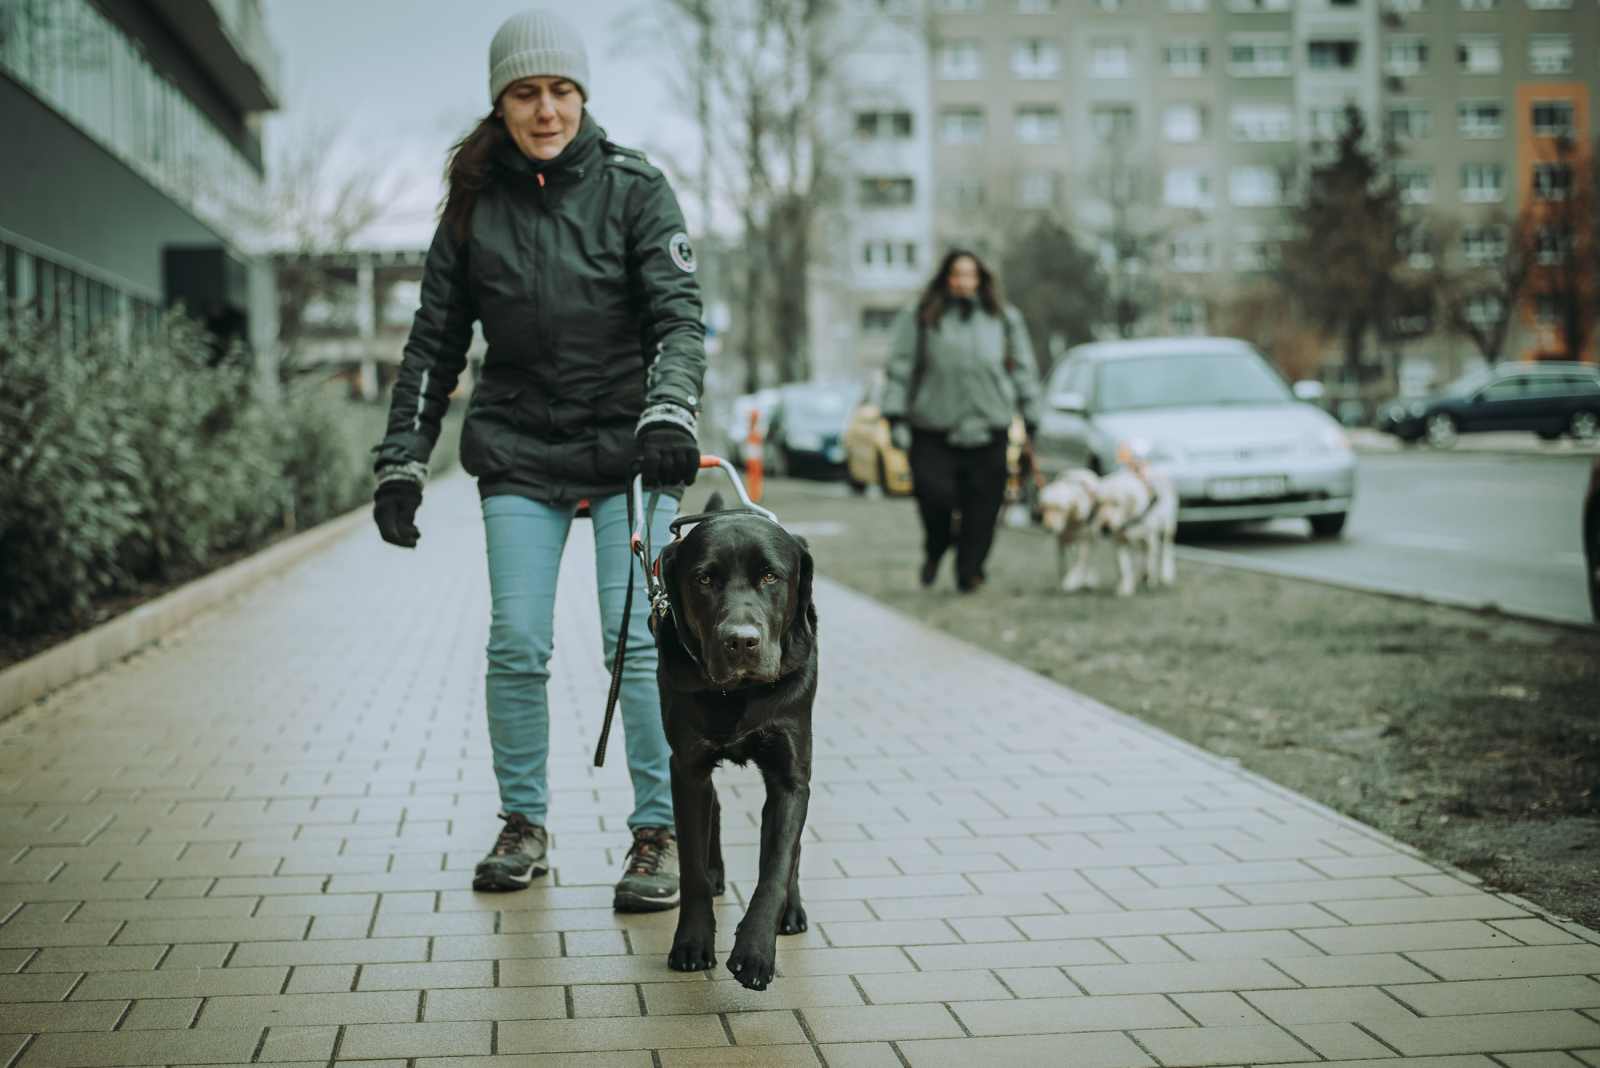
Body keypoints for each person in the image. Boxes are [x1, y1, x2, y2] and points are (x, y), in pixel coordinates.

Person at [369, 9, 705, 912]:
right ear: (501, 104)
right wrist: (403, 460)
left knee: (634, 640)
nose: (545, 108)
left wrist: (669, 410)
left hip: (632, 450)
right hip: (520, 446)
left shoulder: (636, 188)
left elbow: (678, 315)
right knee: (517, 642)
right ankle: (524, 824)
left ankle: (659, 833)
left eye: (559, 90)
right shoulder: (475, 204)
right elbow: (433, 343)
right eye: (526, 93)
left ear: (582, 95)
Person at [880, 250, 1042, 593]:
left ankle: (971, 571)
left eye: (971, 275)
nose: (964, 282)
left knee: (983, 509)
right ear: (945, 278)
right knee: (934, 499)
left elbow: (1023, 368)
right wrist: (894, 415)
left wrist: (1032, 413)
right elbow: (900, 367)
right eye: (957, 275)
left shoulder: (1003, 318)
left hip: (989, 427)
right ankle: (936, 548)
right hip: (932, 427)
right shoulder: (922, 316)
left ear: (981, 279)